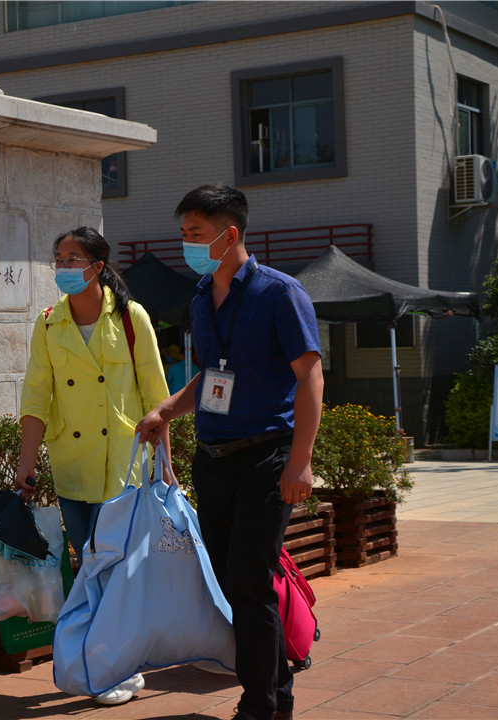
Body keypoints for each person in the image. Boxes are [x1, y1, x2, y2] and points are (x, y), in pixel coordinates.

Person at [136, 184, 323, 720]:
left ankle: (260, 704)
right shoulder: (201, 298)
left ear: (229, 233)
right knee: (230, 580)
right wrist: (168, 409)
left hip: (267, 457)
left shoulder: (279, 293)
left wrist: (300, 461)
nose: (187, 244)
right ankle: (277, 691)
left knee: (248, 579)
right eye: (184, 233)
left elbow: (310, 376)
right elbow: (212, 375)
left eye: (196, 233)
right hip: (213, 459)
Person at [13, 226, 171, 707]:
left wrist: (166, 465)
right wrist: (25, 462)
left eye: (73, 258)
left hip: (123, 464)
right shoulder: (48, 324)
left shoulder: (130, 318)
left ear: (97, 266)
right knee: (88, 567)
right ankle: (109, 660)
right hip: (72, 463)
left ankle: (116, 665)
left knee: (115, 568)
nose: (63, 267)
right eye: (59, 258)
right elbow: (36, 396)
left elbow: (157, 396)